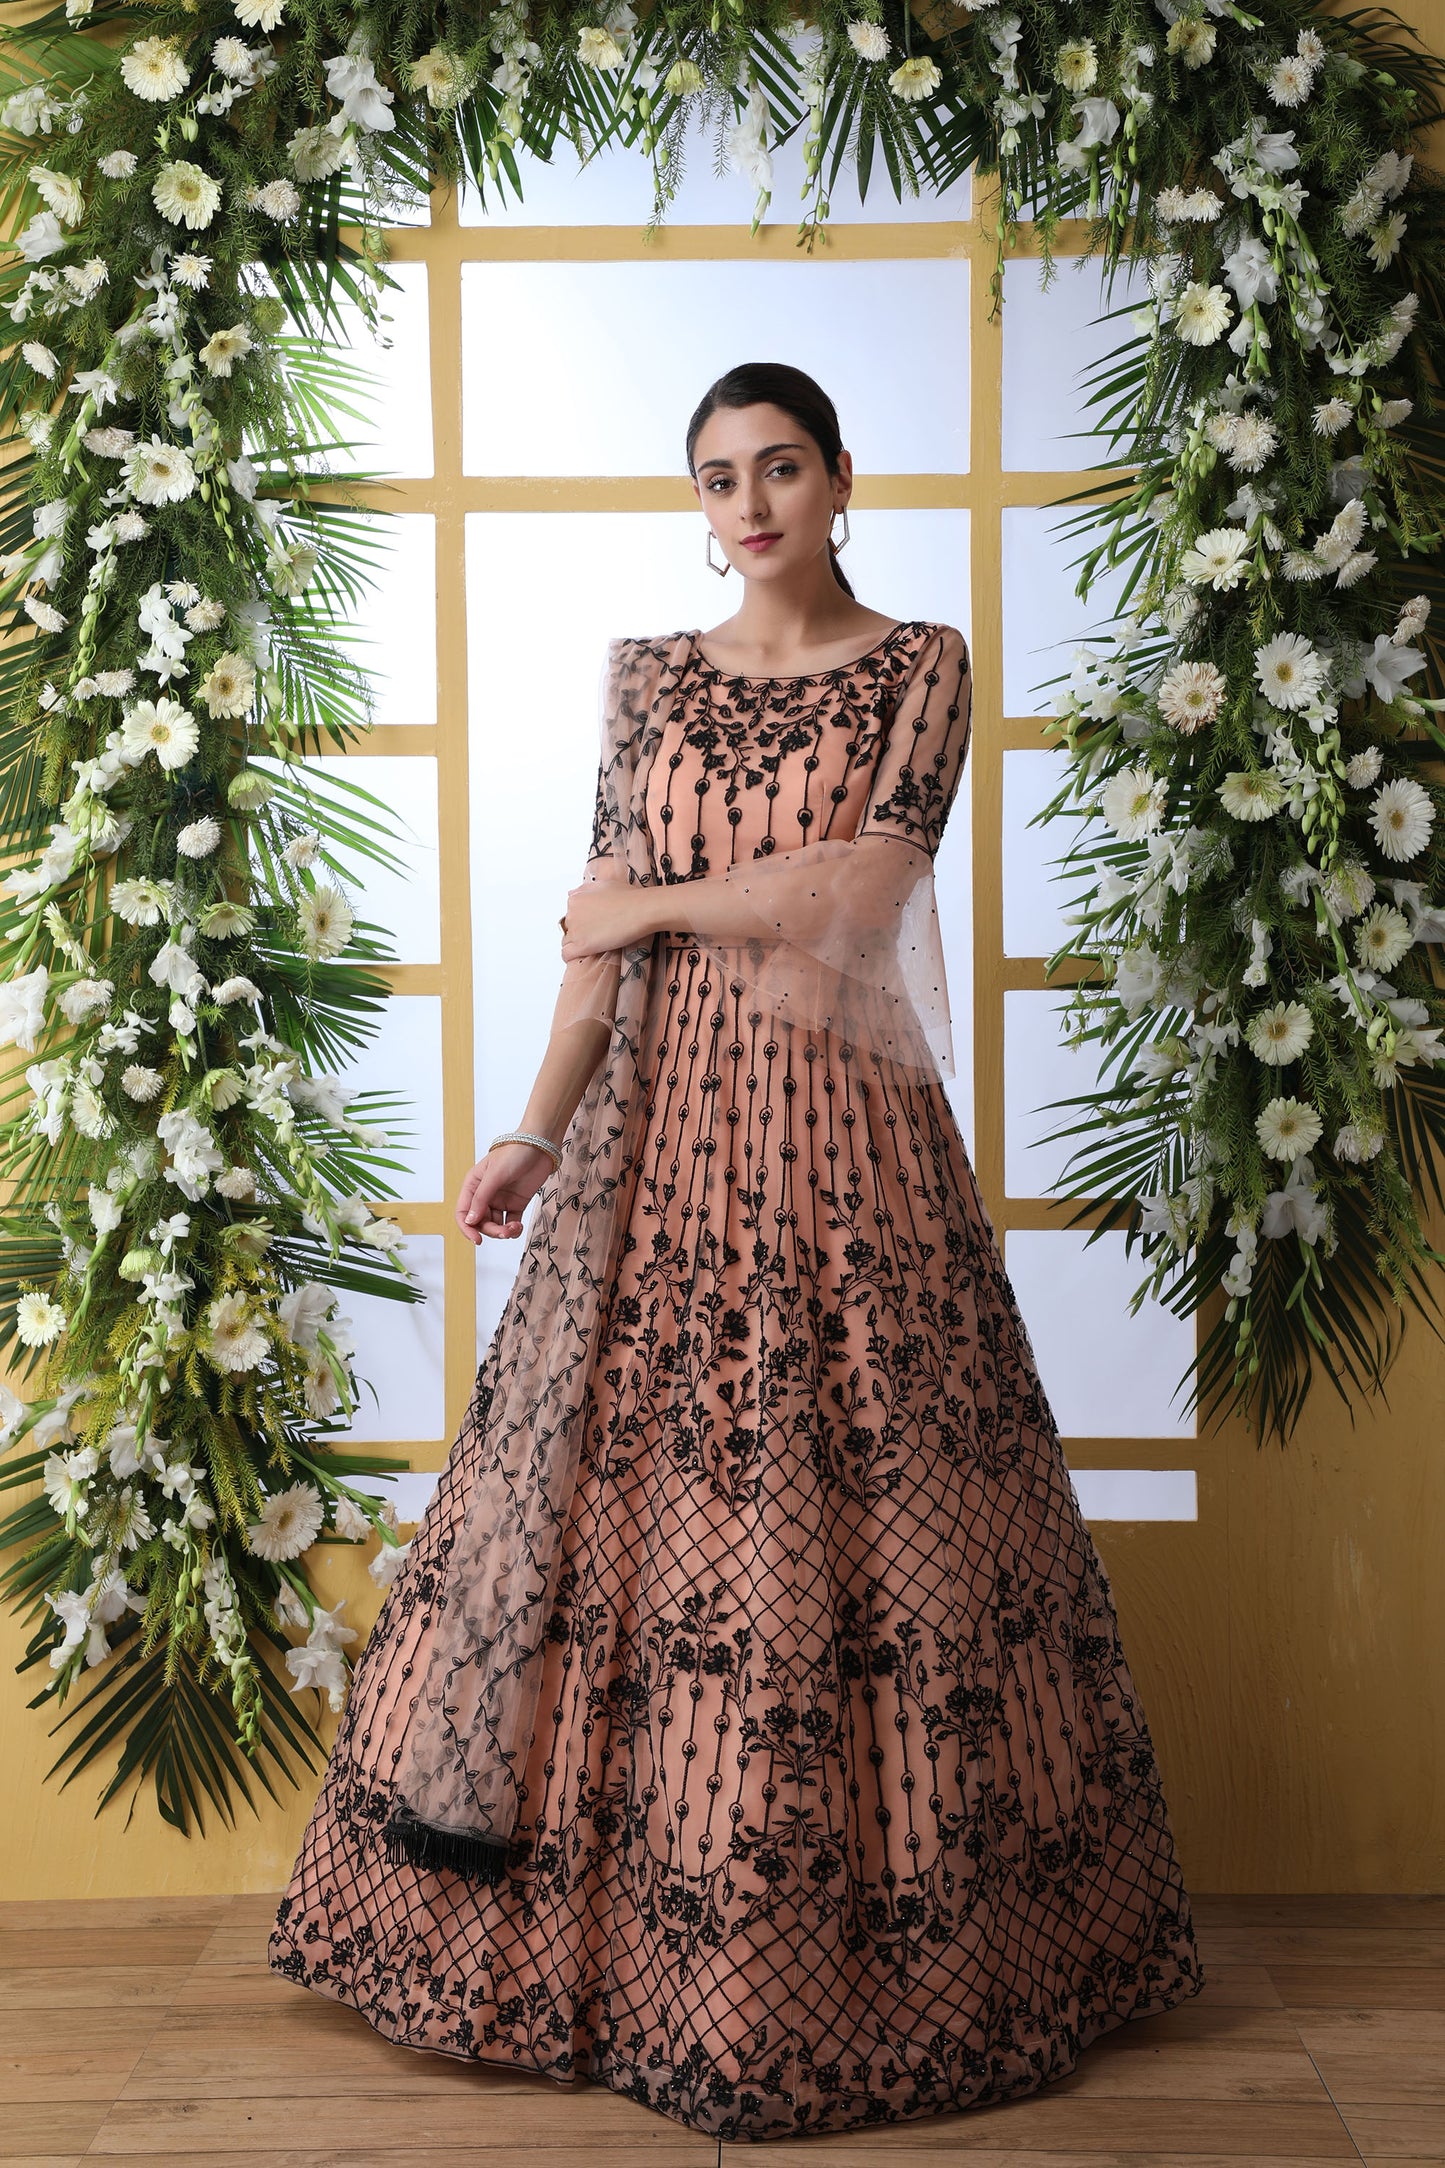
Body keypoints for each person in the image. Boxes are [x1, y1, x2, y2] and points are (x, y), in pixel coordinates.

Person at [269, 360, 1206, 2142]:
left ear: (841, 477)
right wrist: (533, 1128)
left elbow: (862, 895)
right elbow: (592, 952)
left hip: (846, 1139)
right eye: (718, 478)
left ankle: (867, 1962)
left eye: (779, 468)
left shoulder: (918, 662)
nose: (751, 504)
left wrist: (651, 902)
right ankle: (623, 1964)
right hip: (658, 1140)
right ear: (697, 502)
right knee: (640, 1500)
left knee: (867, 1493)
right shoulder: (645, 677)